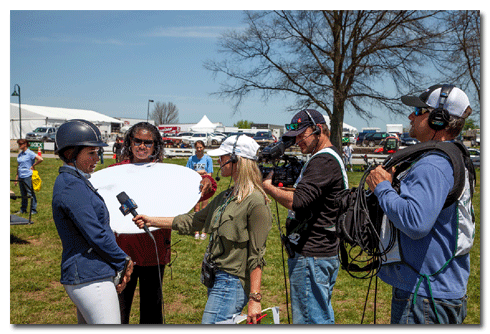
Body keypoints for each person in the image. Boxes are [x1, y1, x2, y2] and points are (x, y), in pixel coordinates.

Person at [133, 135, 272, 324]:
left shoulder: (256, 201)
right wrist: (152, 221)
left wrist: (255, 299)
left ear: (236, 160)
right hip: (217, 278)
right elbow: (194, 221)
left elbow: (257, 254)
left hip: (232, 282)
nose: (219, 161)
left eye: (223, 157)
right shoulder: (226, 196)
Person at [366, 84, 475, 324]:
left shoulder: (433, 164)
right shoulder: (452, 156)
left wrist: (382, 187)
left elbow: (416, 222)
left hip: (424, 296)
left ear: (437, 119)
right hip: (438, 291)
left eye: (418, 110)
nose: (410, 116)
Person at [109, 122, 217, 324]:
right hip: (122, 252)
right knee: (118, 311)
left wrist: (207, 181)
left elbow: (202, 189)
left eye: (147, 142)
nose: (142, 146)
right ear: (129, 143)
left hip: (154, 251)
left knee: (152, 311)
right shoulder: (115, 172)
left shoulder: (165, 173)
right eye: (137, 141)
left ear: (155, 145)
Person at [262, 109, 348, 324]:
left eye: (302, 135)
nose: (298, 141)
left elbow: (297, 202)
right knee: (319, 316)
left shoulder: (323, 161)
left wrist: (268, 188)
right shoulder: (325, 159)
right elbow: (308, 198)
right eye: (295, 137)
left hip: (313, 254)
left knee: (311, 321)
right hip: (318, 253)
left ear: (319, 130)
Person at [52, 119, 133, 324]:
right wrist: (123, 260)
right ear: (71, 154)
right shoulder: (72, 186)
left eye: (98, 152)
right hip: (90, 277)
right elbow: (95, 233)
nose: (97, 158)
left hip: (91, 274)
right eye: (91, 153)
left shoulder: (76, 181)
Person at [186, 140, 214, 240]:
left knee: (204, 209)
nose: (199, 149)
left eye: (200, 147)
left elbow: (209, 174)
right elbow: (188, 173)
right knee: (196, 209)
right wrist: (200, 172)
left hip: (205, 185)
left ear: (203, 148)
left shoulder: (208, 159)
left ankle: (204, 231)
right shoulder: (191, 159)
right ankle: (196, 230)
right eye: (197, 147)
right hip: (195, 186)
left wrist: (202, 174)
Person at [14, 139, 43, 215]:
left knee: (30, 193)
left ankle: (33, 210)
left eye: (21, 144)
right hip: (21, 176)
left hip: (27, 175)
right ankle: (23, 209)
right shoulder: (20, 154)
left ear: (25, 144)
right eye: (19, 144)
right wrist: (16, 178)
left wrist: (33, 165)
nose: (19, 145)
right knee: (23, 194)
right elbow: (19, 166)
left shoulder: (30, 153)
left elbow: (40, 159)